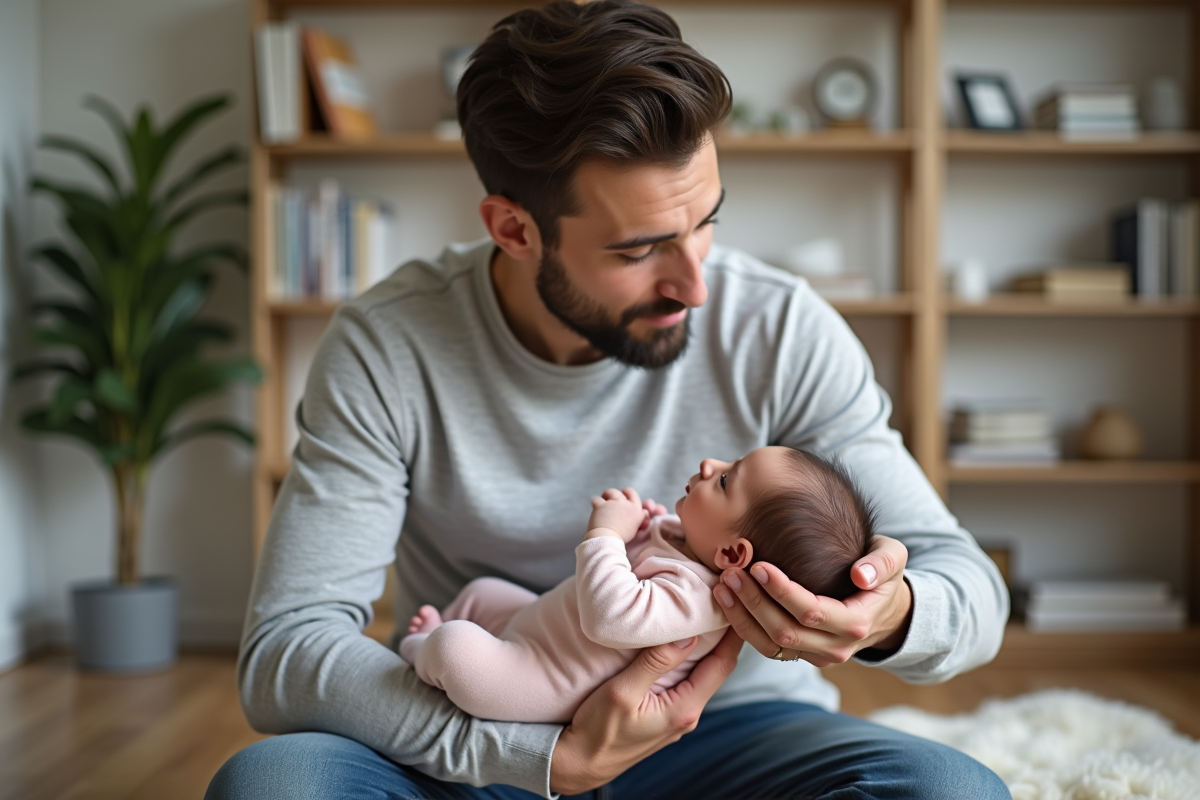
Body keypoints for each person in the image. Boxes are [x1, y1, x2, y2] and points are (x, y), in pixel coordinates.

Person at [207, 2, 1011, 798]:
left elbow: (970, 593)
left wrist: (888, 613)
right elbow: (287, 650)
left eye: (704, 223)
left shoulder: (781, 328)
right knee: (274, 785)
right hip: (480, 721)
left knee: (951, 791)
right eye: (638, 249)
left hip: (725, 729)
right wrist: (535, 759)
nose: (695, 284)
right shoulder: (388, 346)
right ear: (514, 229)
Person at [399, 447, 875, 724]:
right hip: (538, 629)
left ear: (732, 556)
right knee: (483, 591)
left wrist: (606, 534)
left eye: (727, 480)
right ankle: (452, 634)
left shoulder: (701, 601)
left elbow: (612, 617)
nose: (711, 463)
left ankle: (421, 654)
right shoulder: (689, 541)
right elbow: (654, 549)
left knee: (455, 647)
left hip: (545, 678)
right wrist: (644, 525)